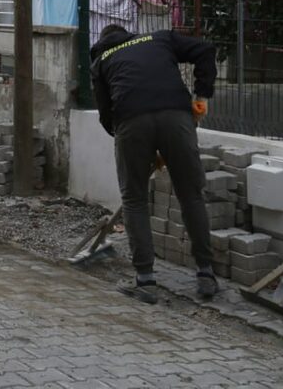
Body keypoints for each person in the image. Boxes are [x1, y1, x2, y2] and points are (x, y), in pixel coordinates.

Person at [90, 23, 217, 304]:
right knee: (191, 194)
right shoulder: (159, 38)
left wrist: (135, 143)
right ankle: (206, 274)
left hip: (131, 122)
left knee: (134, 199)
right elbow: (206, 50)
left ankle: (146, 281)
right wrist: (202, 95)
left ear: (102, 42)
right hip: (177, 117)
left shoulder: (101, 62)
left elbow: (106, 116)